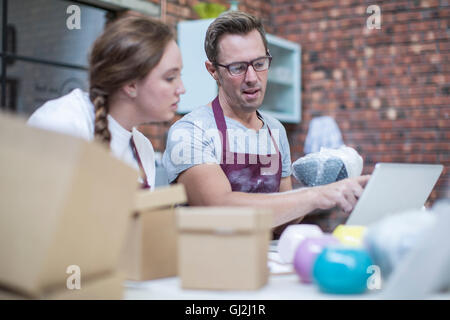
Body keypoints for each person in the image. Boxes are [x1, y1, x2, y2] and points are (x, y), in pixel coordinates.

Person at [162, 11, 369, 234]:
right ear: (213, 71)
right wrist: (316, 195)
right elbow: (219, 210)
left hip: (266, 260)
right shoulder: (190, 132)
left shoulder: (275, 131)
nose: (252, 77)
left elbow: (283, 224)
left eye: (259, 63)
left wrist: (322, 185)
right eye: (237, 68)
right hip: (210, 262)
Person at [28, 15, 185, 190]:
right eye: (170, 78)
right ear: (131, 84)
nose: (182, 89)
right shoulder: (60, 124)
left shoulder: (143, 148)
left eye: (180, 76)